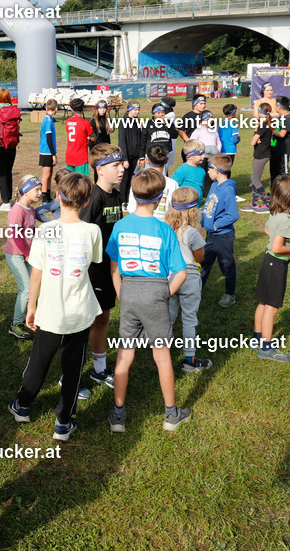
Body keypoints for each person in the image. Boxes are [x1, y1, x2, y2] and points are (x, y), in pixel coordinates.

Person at [8, 172, 101, 441]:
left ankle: (22, 405)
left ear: (58, 196)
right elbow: (93, 262)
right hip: (79, 312)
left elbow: (36, 272)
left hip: (49, 311)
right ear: (86, 202)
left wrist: (31, 306)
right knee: (73, 368)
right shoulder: (92, 231)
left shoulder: (45, 230)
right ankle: (64, 421)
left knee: (39, 361)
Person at [106, 169, 191, 434]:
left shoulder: (120, 226)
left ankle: (118, 416)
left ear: (133, 194)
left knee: (124, 354)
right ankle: (171, 414)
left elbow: (114, 269)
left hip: (129, 291)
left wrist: (122, 294)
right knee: (162, 356)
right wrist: (164, 293)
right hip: (156, 292)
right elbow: (181, 272)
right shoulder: (164, 230)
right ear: (160, 197)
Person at [80, 145, 126, 392]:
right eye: (115, 165)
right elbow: (80, 233)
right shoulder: (93, 198)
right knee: (83, 323)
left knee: (103, 317)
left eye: (121, 164)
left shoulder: (116, 196)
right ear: (99, 169)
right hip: (91, 271)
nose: (122, 169)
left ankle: (99, 370)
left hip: (109, 269)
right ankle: (71, 374)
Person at [253, 175, 290, 362]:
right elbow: (277, 248)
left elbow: (267, 230)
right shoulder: (286, 220)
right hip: (276, 265)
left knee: (263, 303)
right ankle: (266, 349)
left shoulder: (275, 212)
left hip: (267, 261)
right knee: (272, 308)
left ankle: (257, 339)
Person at [164, 187, 211, 372]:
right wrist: (200, 238)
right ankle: (190, 359)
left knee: (169, 316)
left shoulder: (165, 229)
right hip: (189, 276)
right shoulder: (192, 232)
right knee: (189, 318)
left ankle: (161, 353)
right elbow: (200, 257)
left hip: (169, 276)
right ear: (193, 210)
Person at [200, 155, 240, 308]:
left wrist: (215, 225)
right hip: (211, 236)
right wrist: (203, 223)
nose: (208, 172)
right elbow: (208, 207)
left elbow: (233, 215)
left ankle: (230, 294)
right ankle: (196, 290)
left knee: (227, 266)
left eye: (209, 169)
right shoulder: (214, 185)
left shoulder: (228, 190)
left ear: (217, 171)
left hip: (223, 237)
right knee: (203, 264)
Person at [6, 176, 43, 341]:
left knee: (34, 285)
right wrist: (27, 253)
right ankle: (16, 324)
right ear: (26, 191)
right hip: (16, 254)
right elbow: (15, 235)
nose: (40, 193)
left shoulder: (30, 209)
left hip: (28, 254)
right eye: (37, 189)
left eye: (40, 189)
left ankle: (31, 316)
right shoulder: (17, 210)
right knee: (26, 288)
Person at [126, 146, 178, 222]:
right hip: (164, 224)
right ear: (167, 160)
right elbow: (175, 210)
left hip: (140, 223)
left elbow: (131, 208)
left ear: (146, 160)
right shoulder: (173, 184)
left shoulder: (138, 180)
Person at [0, 88, 20, 211]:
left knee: (1, 173)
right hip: (12, 144)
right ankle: (9, 199)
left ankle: (5, 202)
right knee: (9, 171)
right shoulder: (14, 110)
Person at [242, 104, 274, 214]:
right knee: (256, 178)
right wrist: (257, 139)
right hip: (263, 153)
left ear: (260, 112)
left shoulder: (263, 125)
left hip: (261, 154)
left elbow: (252, 142)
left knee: (255, 179)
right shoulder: (267, 123)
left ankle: (266, 204)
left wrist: (256, 138)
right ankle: (254, 203)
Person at [117, 101, 145, 199]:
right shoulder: (124, 121)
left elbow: (140, 139)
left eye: (138, 110)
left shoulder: (137, 121)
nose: (137, 112)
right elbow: (122, 141)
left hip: (135, 155)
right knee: (125, 179)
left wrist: (140, 156)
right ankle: (123, 200)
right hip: (127, 156)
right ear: (129, 110)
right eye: (135, 110)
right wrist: (124, 159)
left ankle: (128, 199)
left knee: (131, 178)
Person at [142, 103, 177, 174]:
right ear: (153, 114)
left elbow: (174, 135)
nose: (161, 114)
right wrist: (141, 157)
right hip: (151, 154)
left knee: (163, 175)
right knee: (150, 175)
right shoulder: (148, 124)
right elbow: (143, 141)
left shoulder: (168, 123)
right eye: (158, 113)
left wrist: (167, 124)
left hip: (164, 154)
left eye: (163, 112)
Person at [39, 99, 59, 204]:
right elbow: (49, 139)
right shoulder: (48, 120)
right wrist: (53, 154)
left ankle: (48, 194)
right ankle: (44, 197)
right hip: (46, 151)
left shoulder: (50, 119)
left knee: (50, 173)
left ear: (46, 108)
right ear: (56, 109)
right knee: (46, 174)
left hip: (48, 151)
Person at [269, 96, 290, 180]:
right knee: (273, 172)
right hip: (274, 149)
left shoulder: (287, 119)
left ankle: (285, 188)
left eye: (275, 105)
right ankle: (274, 188)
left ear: (279, 106)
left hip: (283, 150)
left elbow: (282, 134)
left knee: (283, 173)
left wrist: (271, 128)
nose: (274, 107)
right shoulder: (280, 118)